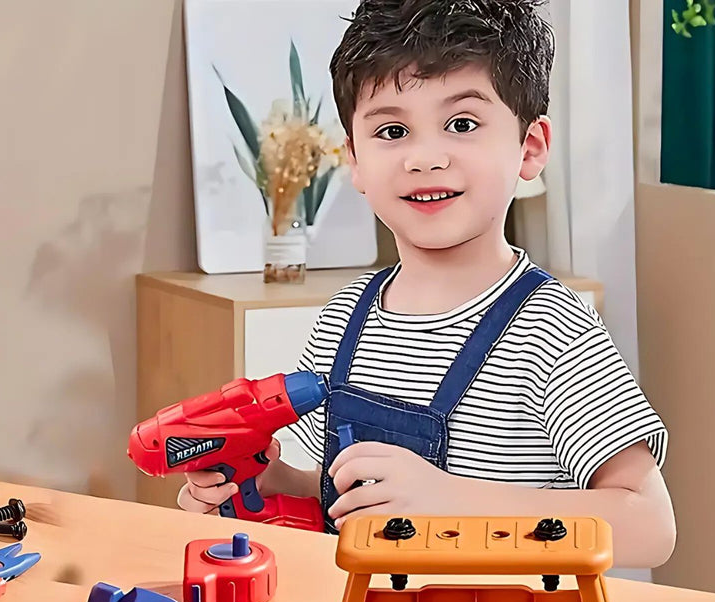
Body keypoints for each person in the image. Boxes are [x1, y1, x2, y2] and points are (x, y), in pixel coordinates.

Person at [179, 0, 676, 568]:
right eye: (392, 130)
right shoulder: (344, 319)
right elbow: (344, 495)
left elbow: (649, 524)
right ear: (355, 162)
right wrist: (273, 482)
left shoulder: (549, 329)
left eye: (462, 124)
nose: (424, 157)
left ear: (530, 148)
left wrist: (448, 500)